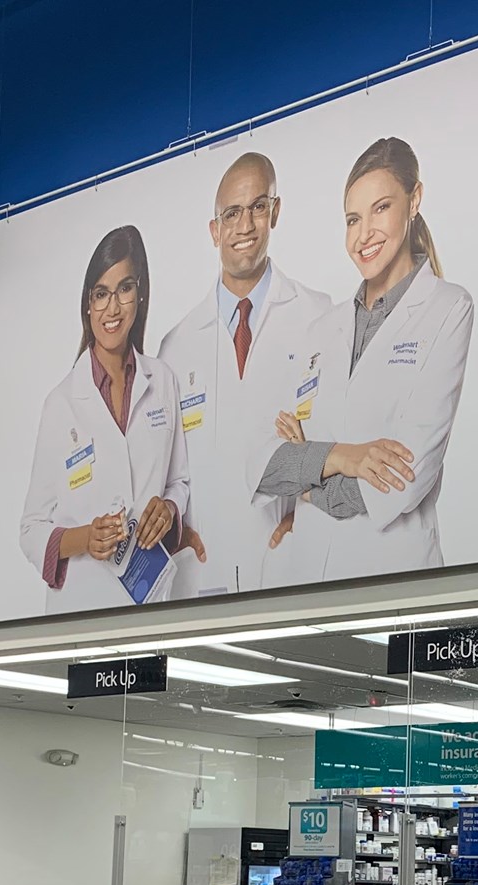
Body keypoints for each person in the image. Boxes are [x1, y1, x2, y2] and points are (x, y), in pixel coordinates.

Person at [258, 137, 473, 583]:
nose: (363, 235)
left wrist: (308, 483)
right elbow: (263, 463)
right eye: (353, 219)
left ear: (414, 200)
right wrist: (345, 457)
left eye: (381, 209)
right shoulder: (322, 329)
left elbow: (403, 480)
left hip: (389, 577)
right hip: (308, 578)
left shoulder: (448, 308)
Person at [156, 151, 332, 598]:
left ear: (276, 211)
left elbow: (336, 442)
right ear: (214, 230)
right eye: (232, 213)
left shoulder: (319, 317)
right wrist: (175, 532)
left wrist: (309, 514)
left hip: (287, 566)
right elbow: (168, 474)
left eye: (258, 206)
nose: (245, 225)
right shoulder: (176, 347)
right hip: (202, 577)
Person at [20, 226, 194, 611]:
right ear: (87, 304)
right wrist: (85, 538)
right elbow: (30, 530)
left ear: (140, 294)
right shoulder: (60, 403)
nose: (112, 309)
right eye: (101, 294)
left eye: (124, 289)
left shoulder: (162, 381)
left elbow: (179, 482)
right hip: (82, 607)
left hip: (149, 598)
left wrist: (168, 510)